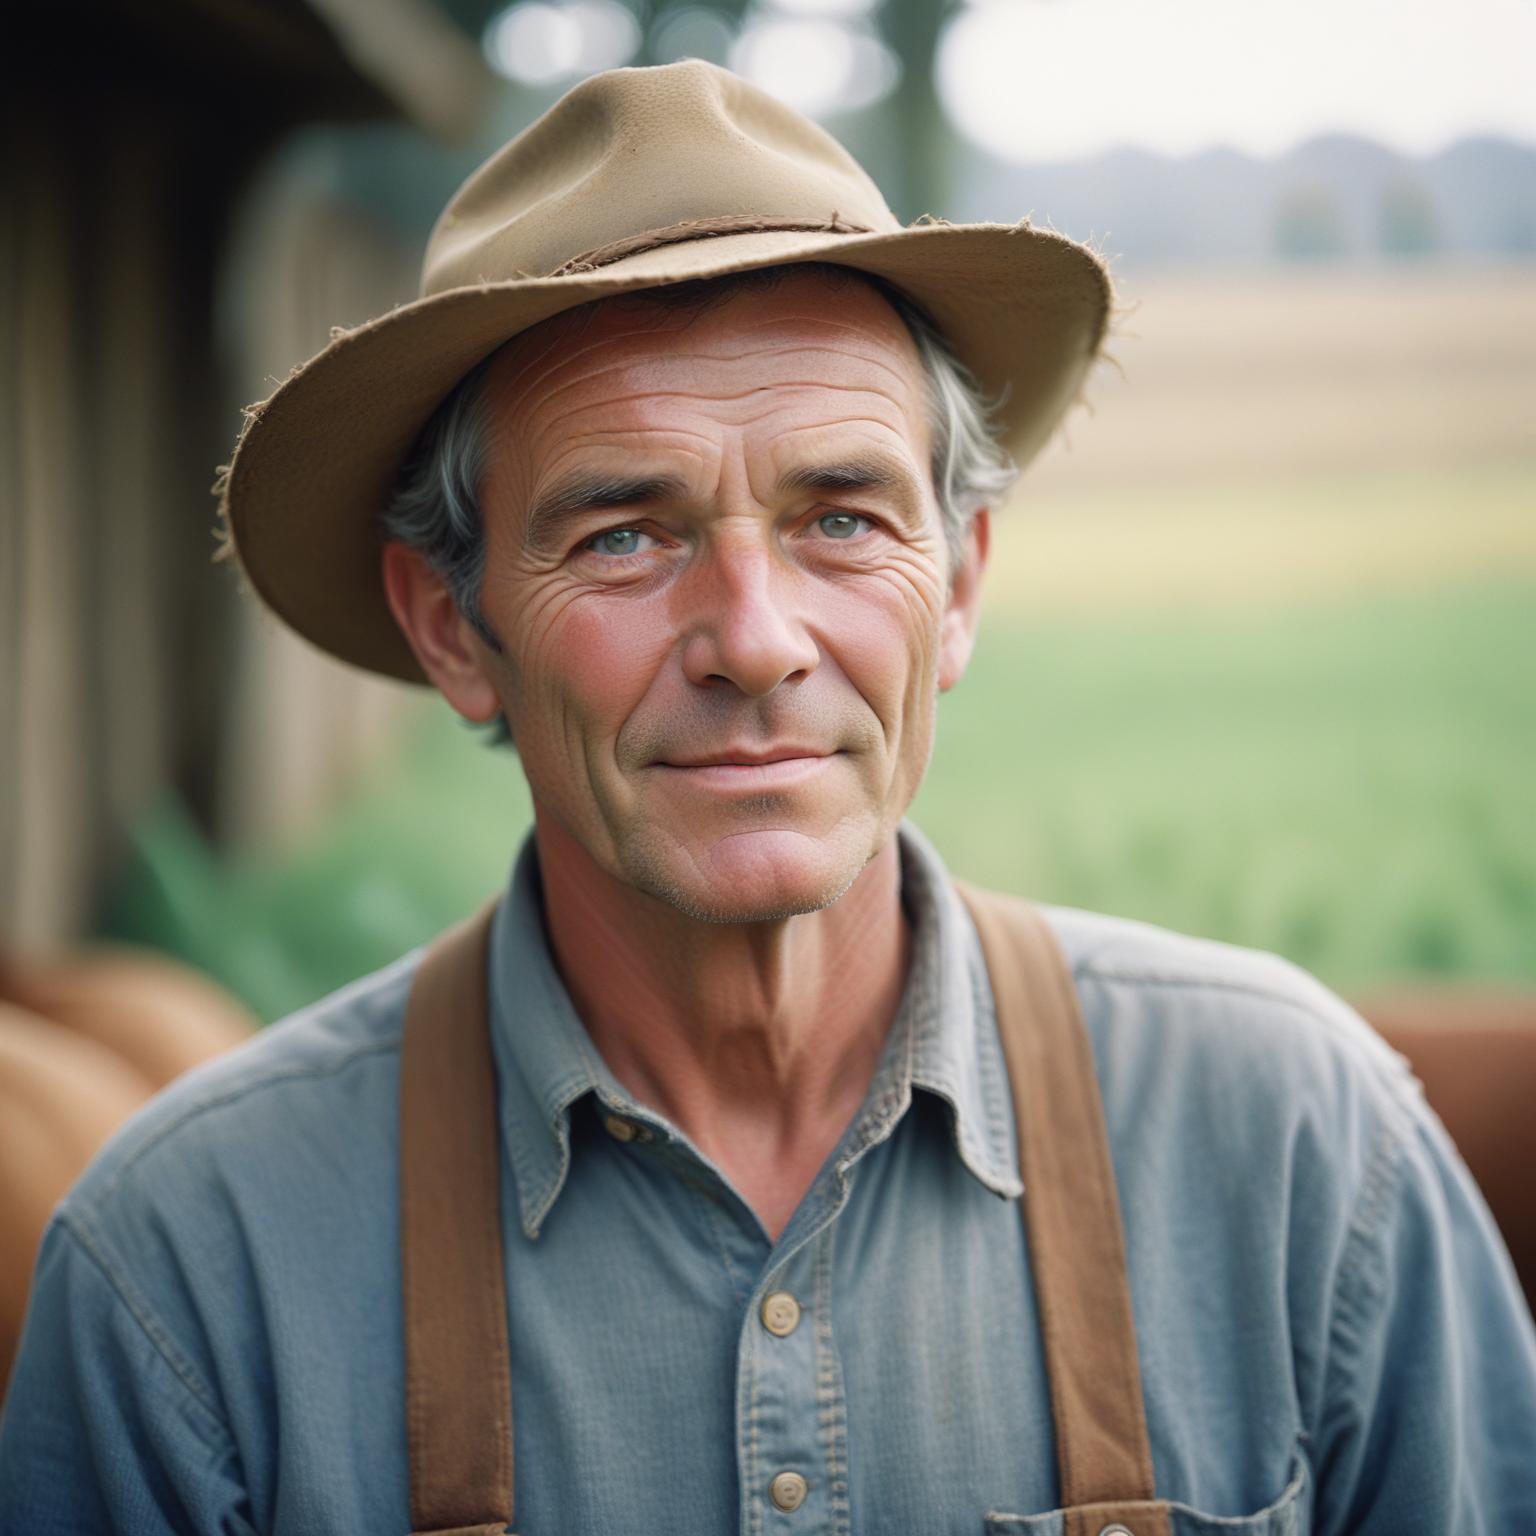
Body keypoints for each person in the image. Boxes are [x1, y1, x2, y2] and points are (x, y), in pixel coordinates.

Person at [2, 60, 1533, 1536]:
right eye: (622, 535)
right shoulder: (186, 1274)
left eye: (842, 517)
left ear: (959, 588)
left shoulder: (1305, 1155)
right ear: (453, 629)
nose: (754, 639)